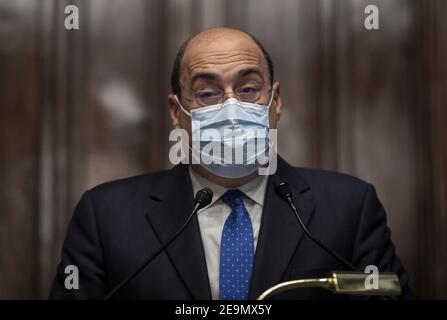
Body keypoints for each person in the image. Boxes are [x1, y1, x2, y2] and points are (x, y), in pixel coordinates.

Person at [49, 28, 410, 299]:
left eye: (249, 89)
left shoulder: (349, 207)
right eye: (207, 93)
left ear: (276, 101)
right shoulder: (106, 216)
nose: (232, 107)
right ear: (177, 113)